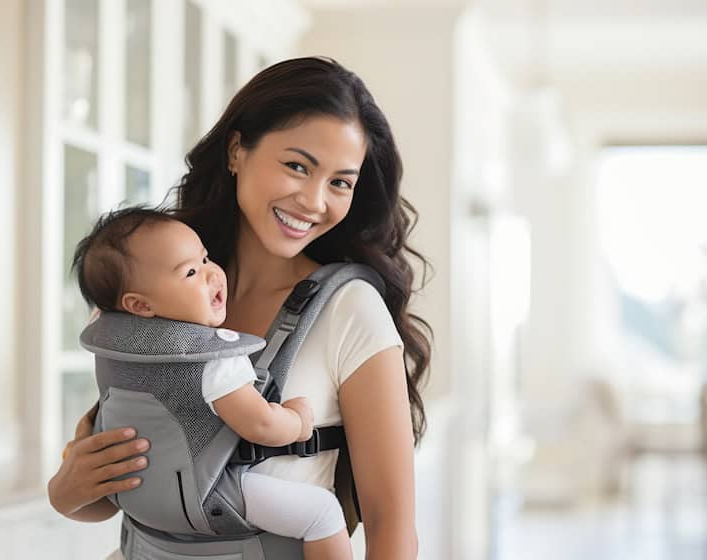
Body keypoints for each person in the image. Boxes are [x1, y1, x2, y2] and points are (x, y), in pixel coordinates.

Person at [48, 56, 431, 560]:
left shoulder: (350, 310)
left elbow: (392, 529)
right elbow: (125, 485)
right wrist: (70, 485)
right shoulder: (154, 293)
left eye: (340, 182)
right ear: (236, 151)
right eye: (297, 166)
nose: (315, 201)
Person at [70, 207, 351, 559]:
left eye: (205, 258)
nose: (211, 274)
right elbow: (260, 424)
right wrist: (296, 422)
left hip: (136, 498)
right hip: (208, 495)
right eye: (190, 272)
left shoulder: (112, 347)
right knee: (321, 513)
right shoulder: (210, 358)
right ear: (140, 304)